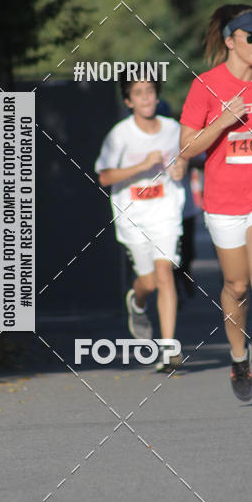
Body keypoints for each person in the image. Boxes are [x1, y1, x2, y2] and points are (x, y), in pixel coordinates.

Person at [179, 4, 252, 404]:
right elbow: (187, 148)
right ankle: (239, 357)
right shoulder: (205, 85)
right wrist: (223, 120)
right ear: (230, 41)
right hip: (224, 199)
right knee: (237, 286)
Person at [95, 74, 186, 371]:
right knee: (148, 282)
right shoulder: (120, 135)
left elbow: (188, 157)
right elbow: (105, 176)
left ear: (157, 97)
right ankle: (137, 301)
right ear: (128, 101)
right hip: (132, 214)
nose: (145, 97)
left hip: (165, 210)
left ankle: (169, 348)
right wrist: (143, 165)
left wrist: (181, 167)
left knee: (165, 274)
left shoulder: (173, 129)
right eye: (138, 93)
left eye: (149, 91)